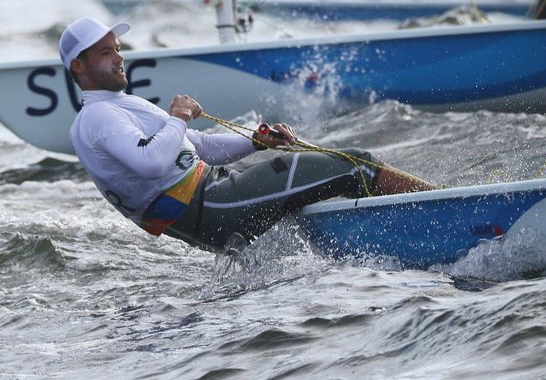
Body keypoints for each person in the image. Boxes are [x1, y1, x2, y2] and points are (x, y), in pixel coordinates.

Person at [62, 18, 435, 252]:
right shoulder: (98, 117)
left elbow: (198, 146)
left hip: (215, 201)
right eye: (106, 52)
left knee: (323, 185)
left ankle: (401, 241)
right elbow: (152, 163)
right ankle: (446, 205)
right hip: (213, 207)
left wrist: (255, 142)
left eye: (118, 49)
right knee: (356, 165)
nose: (119, 57)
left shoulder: (118, 106)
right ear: (79, 66)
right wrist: (176, 118)